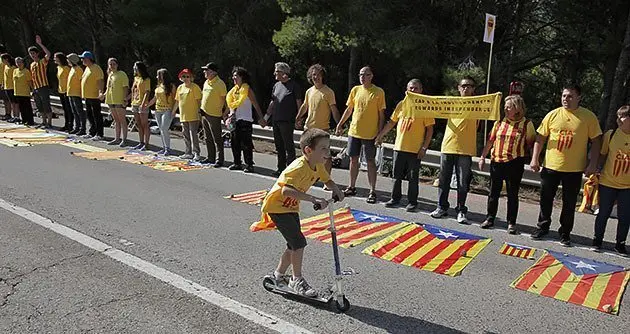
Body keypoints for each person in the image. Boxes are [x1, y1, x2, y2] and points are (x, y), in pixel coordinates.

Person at [261, 128, 344, 296]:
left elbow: (326, 179)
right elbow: (286, 191)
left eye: (328, 148)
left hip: (290, 207)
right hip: (277, 207)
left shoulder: (317, 165)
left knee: (293, 244)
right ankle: (296, 280)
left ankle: (278, 275)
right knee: (299, 242)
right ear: (308, 150)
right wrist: (314, 199)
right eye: (323, 149)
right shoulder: (298, 167)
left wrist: (336, 189)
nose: (328, 152)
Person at [530, 83, 602, 246]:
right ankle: (543, 227)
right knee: (545, 199)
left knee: (569, 203)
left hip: (574, 169)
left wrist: (592, 164)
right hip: (551, 166)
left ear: (579, 98)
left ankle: (565, 233)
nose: (566, 99)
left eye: (570, 96)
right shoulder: (553, 115)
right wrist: (535, 158)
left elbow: (597, 141)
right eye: (564, 96)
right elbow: (540, 138)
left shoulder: (588, 117)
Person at [478, 95, 536, 234]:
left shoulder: (527, 124)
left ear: (517, 108)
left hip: (515, 162)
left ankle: (511, 223)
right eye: (505, 106)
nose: (506, 109)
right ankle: (490, 218)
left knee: (512, 193)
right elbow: (491, 141)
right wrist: (482, 157)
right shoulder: (500, 122)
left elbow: (532, 144)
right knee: (493, 192)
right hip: (497, 161)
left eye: (509, 106)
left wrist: (535, 160)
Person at [375, 79, 434, 212]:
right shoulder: (401, 105)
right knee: (396, 176)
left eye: (416, 88)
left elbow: (430, 129)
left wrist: (424, 147)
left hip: (415, 149)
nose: (413, 91)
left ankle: (412, 202)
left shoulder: (425, 106)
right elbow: (391, 122)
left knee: (413, 178)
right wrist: (380, 135)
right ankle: (395, 198)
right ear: (406, 90)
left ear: (421, 90)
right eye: (411, 88)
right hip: (399, 147)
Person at [430, 76, 479, 223]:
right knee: (443, 179)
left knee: (463, 182)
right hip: (448, 145)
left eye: (469, 86)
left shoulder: (479, 105)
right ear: (458, 88)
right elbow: (430, 105)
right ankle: (441, 207)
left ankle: (461, 210)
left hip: (465, 149)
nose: (466, 88)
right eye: (463, 86)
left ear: (473, 89)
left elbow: (491, 111)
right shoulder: (451, 103)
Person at [335, 66, 386, 204]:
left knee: (370, 161)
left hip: (370, 134)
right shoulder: (355, 90)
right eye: (360, 74)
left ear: (371, 76)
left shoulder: (378, 92)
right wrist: (340, 124)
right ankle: (351, 186)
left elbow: (381, 115)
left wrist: (380, 133)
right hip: (354, 131)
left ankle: (372, 190)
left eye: (366, 74)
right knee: (353, 159)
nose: (362, 77)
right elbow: (349, 109)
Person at [592, 105, 629, 255]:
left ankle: (620, 243)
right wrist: (596, 169)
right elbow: (602, 154)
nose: (619, 120)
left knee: (625, 217)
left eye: (623, 117)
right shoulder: (611, 134)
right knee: (603, 213)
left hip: (627, 185)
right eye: (618, 117)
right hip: (608, 181)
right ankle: (597, 240)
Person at [295, 64, 341, 176]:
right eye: (314, 74)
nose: (316, 77)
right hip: (308, 128)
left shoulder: (328, 92)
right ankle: (308, 177)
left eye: (319, 75)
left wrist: (339, 124)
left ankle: (326, 179)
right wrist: (298, 117)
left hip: (322, 129)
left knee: (325, 156)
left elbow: (334, 109)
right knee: (306, 154)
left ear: (323, 76)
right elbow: (305, 106)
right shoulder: (309, 91)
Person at [226, 66, 267, 173]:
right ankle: (237, 163)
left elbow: (256, 105)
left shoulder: (247, 90)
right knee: (234, 142)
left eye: (236, 76)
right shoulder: (233, 91)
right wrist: (228, 114)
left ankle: (249, 164)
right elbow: (230, 105)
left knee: (246, 143)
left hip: (246, 119)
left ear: (242, 77)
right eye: (233, 76)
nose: (234, 78)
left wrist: (261, 118)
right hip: (235, 119)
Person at [266, 62, 303, 176]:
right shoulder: (276, 85)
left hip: (287, 120)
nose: (275, 74)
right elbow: (273, 101)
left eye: (277, 71)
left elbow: (299, 103)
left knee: (288, 146)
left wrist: (299, 119)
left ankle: (290, 170)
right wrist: (267, 115)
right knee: (279, 145)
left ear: (284, 73)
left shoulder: (294, 86)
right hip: (276, 119)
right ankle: (280, 168)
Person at [200, 62, 227, 166]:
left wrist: (225, 113)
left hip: (214, 114)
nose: (204, 72)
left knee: (217, 138)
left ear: (213, 72)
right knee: (207, 137)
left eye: (207, 70)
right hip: (204, 113)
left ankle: (220, 159)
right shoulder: (206, 82)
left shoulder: (220, 84)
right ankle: (210, 157)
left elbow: (225, 100)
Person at [172, 68, 202, 161]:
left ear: (191, 78)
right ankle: (188, 152)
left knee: (193, 134)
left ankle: (196, 152)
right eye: (183, 76)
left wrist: (200, 113)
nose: (185, 78)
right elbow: (177, 101)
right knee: (185, 134)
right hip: (183, 115)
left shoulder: (195, 87)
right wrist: (173, 111)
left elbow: (198, 101)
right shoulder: (180, 87)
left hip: (193, 115)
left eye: (187, 76)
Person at [146, 68, 176, 155]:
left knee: (164, 128)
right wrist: (147, 105)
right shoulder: (158, 86)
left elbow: (175, 99)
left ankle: (168, 148)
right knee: (161, 129)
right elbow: (155, 98)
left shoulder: (171, 86)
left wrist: (174, 111)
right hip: (158, 110)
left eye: (159, 75)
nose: (157, 77)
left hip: (167, 109)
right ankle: (164, 147)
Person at [103, 58, 130, 147]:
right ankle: (117, 138)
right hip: (111, 99)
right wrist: (104, 95)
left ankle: (124, 139)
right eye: (110, 64)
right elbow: (108, 87)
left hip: (119, 100)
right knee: (116, 120)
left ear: (117, 65)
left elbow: (125, 87)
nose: (112, 66)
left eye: (113, 64)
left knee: (122, 120)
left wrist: (125, 99)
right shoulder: (110, 74)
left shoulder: (122, 74)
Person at [28, 35, 52, 128]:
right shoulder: (32, 64)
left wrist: (40, 44)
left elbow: (48, 54)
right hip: (36, 87)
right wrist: (32, 89)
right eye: (30, 54)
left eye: (33, 53)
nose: (32, 55)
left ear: (37, 53)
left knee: (46, 104)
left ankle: (49, 122)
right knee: (39, 105)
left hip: (43, 86)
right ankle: (43, 121)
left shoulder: (42, 62)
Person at [79, 51, 105, 140]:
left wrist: (101, 92)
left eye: (83, 58)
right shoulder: (87, 68)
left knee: (96, 115)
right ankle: (92, 132)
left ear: (89, 59)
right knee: (89, 115)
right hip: (87, 96)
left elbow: (100, 81)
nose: (82, 60)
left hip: (94, 96)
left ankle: (99, 133)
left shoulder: (96, 68)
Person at [130, 61, 151, 150]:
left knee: (144, 124)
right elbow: (133, 91)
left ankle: (146, 143)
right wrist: (130, 101)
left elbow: (147, 92)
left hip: (142, 104)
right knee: (138, 123)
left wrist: (143, 103)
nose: (135, 69)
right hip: (135, 102)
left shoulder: (146, 79)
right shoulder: (136, 78)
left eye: (136, 68)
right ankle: (141, 142)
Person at [66, 53, 85, 135]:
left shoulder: (78, 69)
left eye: (69, 60)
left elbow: (81, 81)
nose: (67, 61)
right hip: (70, 93)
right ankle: (77, 127)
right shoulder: (72, 69)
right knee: (74, 111)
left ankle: (82, 128)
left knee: (79, 111)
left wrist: (82, 93)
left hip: (76, 93)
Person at [54, 52, 73, 132]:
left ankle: (70, 125)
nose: (54, 59)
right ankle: (66, 124)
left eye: (56, 57)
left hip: (67, 90)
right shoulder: (58, 67)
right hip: (61, 90)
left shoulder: (66, 68)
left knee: (69, 109)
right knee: (65, 109)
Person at [12, 57, 34, 125]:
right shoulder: (15, 70)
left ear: (23, 63)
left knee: (27, 107)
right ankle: (24, 120)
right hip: (17, 92)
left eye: (20, 62)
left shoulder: (26, 71)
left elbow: (29, 82)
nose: (18, 64)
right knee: (21, 108)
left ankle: (30, 121)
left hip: (25, 92)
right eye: (17, 62)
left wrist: (32, 90)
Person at [1, 53, 19, 122]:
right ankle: (13, 116)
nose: (2, 61)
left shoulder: (13, 67)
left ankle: (17, 116)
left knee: (15, 102)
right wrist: (3, 84)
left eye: (3, 60)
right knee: (12, 102)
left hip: (13, 87)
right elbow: (4, 76)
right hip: (6, 87)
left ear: (7, 59)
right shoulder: (5, 67)